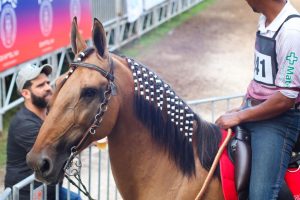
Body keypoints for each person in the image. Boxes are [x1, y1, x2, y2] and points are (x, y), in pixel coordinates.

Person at [216, 0, 300, 199]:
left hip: (278, 121)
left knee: (260, 195)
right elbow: (261, 78)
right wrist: (243, 106)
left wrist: (241, 116)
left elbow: (285, 98)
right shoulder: (265, 21)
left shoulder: (291, 32)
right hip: (254, 110)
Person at [4, 64, 80, 200]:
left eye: (47, 82)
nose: (48, 88)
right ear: (25, 93)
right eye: (40, 86)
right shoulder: (23, 124)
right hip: (27, 194)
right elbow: (57, 150)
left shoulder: (49, 115)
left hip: (49, 190)